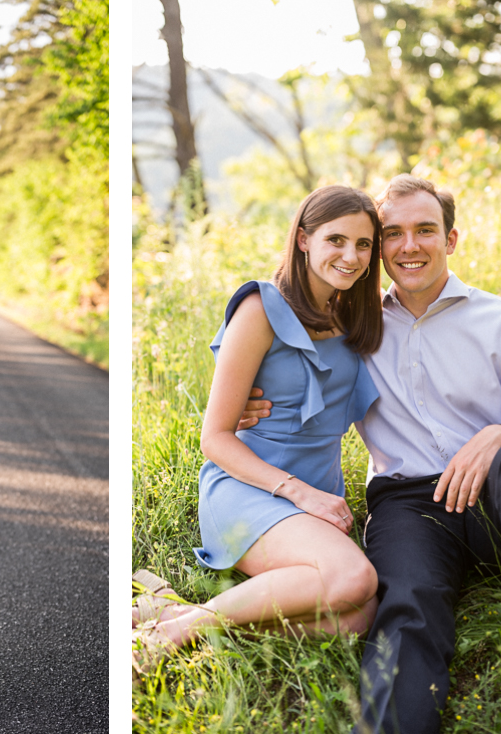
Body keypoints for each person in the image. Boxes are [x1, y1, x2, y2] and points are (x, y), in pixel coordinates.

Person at [239, 175, 501, 734]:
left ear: (450, 239)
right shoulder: (353, 328)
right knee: (405, 607)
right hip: (411, 506)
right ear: (378, 246)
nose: (409, 246)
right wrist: (253, 405)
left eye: (425, 230)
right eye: (393, 233)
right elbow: (289, 374)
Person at [132, 186, 384, 675]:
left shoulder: (356, 312)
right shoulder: (261, 309)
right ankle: (171, 634)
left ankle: (177, 612)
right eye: (336, 240)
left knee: (359, 617)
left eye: (364, 244)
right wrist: (300, 493)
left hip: (314, 491)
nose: (351, 256)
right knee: (353, 577)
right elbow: (215, 437)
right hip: (250, 488)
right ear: (304, 239)